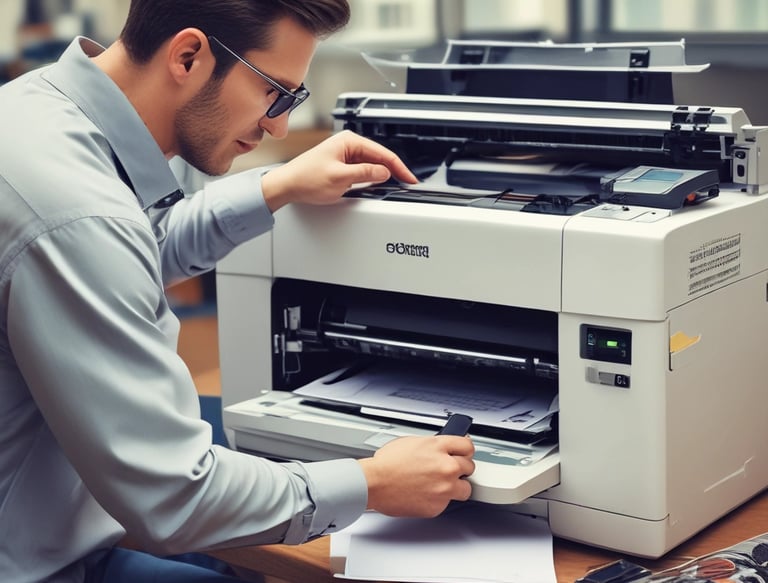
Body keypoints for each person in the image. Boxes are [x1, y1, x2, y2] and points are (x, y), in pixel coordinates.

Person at [0, 1, 476, 582]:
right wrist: (373, 481)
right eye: (275, 93)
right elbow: (176, 498)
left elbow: (131, 253)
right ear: (188, 57)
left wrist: (278, 185)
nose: (279, 126)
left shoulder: (34, 111)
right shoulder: (78, 215)